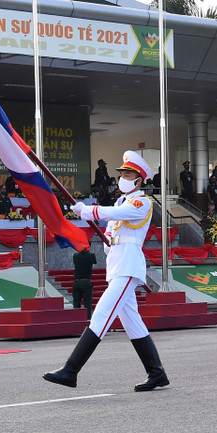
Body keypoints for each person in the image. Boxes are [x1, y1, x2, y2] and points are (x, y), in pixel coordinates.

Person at [46, 151, 169, 392]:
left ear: (139, 179)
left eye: (128, 173)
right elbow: (112, 229)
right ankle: (157, 373)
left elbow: (119, 216)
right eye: (122, 173)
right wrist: (108, 238)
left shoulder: (142, 201)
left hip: (128, 266)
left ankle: (71, 370)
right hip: (117, 265)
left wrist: (90, 211)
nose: (123, 177)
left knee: (102, 314)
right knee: (133, 322)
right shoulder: (120, 201)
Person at [71, 247, 96, 317]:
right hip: (86, 282)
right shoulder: (91, 256)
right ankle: (88, 320)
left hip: (76, 282)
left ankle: (76, 319)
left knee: (76, 303)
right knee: (87, 304)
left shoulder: (75, 256)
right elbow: (94, 261)